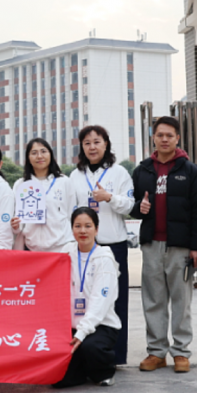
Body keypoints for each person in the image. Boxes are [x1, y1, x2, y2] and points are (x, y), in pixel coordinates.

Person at [130, 116, 197, 373]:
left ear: (177, 138)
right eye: (160, 135)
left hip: (180, 246)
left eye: (169, 135)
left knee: (181, 300)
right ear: (153, 137)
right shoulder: (142, 170)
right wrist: (139, 208)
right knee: (153, 299)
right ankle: (156, 352)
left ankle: (181, 352)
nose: (164, 139)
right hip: (152, 244)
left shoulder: (190, 170)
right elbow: (133, 206)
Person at [69, 125, 134, 366]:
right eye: (87, 143)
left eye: (97, 142)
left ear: (106, 144)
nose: (92, 147)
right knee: (85, 299)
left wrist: (109, 197)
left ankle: (115, 356)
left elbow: (129, 205)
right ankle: (86, 353)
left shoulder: (119, 173)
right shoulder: (75, 176)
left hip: (113, 244)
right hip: (84, 246)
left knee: (116, 301)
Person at [53, 207, 120, 388]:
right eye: (78, 226)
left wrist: (82, 332)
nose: (83, 231)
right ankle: (81, 369)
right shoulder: (67, 252)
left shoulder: (104, 258)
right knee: (60, 381)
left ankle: (104, 372)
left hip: (100, 325)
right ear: (72, 229)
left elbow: (100, 302)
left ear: (96, 229)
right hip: (72, 325)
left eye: (88, 226)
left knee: (91, 347)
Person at [10, 138, 75, 252]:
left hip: (61, 248)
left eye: (43, 151)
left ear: (50, 154)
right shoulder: (20, 185)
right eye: (34, 153)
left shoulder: (64, 182)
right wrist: (15, 226)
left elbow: (72, 215)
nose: (39, 156)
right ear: (28, 158)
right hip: (31, 248)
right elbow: (18, 218)